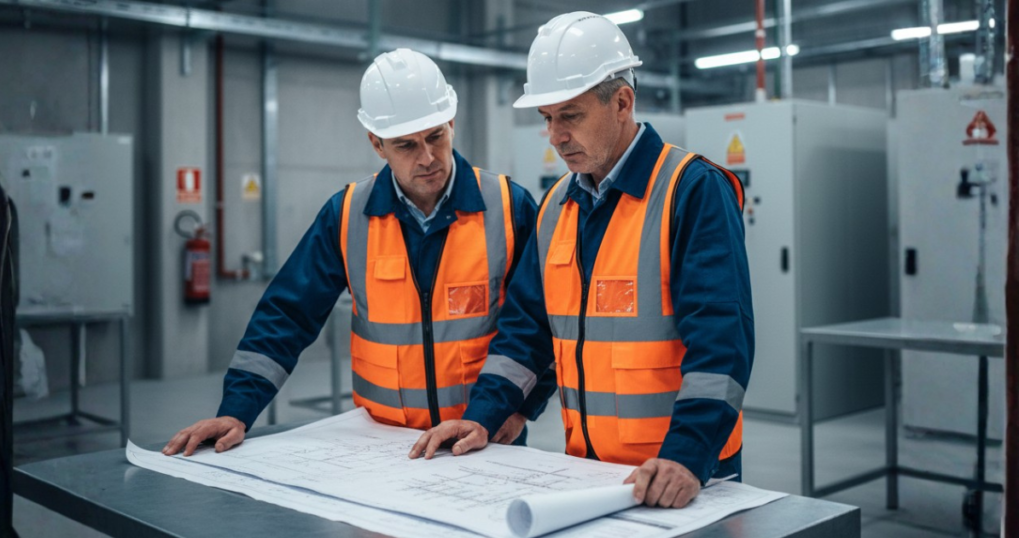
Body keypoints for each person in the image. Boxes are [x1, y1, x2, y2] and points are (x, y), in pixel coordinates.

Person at [410, 12, 753, 510]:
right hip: (588, 472)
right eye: (547, 118)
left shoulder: (692, 189)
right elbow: (526, 334)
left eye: (569, 115)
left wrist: (688, 455)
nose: (555, 135)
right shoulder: (556, 208)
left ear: (621, 102)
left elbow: (722, 343)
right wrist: (484, 415)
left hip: (685, 476)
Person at [163, 48, 556, 457]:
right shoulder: (347, 215)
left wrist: (518, 409)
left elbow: (543, 319)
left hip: (484, 436)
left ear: (452, 122)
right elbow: (286, 314)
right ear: (377, 143)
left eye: (436, 136)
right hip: (383, 448)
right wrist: (237, 411)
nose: (427, 158)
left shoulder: (509, 207)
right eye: (405, 145)